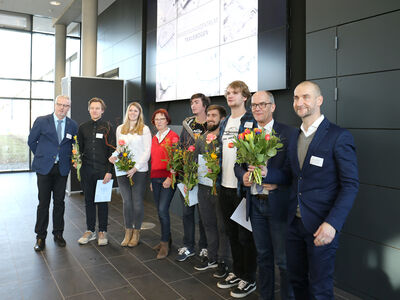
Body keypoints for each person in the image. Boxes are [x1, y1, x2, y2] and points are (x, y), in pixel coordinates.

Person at [265, 81, 359, 299]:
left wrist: (332, 224)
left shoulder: (338, 136)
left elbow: (350, 185)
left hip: (321, 225)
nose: (300, 103)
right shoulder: (294, 137)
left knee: (320, 288)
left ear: (319, 100)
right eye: (296, 98)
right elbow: (290, 175)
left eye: (306, 97)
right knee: (296, 281)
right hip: (294, 224)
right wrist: (265, 173)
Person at [234, 91, 295, 300]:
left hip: (277, 205)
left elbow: (293, 171)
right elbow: (237, 165)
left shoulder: (288, 133)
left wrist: (273, 177)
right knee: (263, 256)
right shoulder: (247, 133)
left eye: (262, 104)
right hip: (255, 205)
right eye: (254, 105)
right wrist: (243, 177)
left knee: (284, 260)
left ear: (273, 107)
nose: (257, 108)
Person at [217, 81, 257, 298]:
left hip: (242, 189)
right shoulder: (224, 123)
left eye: (235, 93)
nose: (230, 96)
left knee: (245, 237)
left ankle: (249, 278)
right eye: (228, 93)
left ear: (245, 97)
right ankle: (237, 271)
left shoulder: (251, 120)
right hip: (224, 186)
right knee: (231, 233)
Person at [28, 95, 78, 251]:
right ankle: (40, 237)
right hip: (44, 169)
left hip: (62, 169)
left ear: (69, 108)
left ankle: (58, 234)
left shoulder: (72, 125)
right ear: (55, 105)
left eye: (66, 105)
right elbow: (31, 141)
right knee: (43, 203)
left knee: (59, 203)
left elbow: (74, 145)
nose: (62, 108)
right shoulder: (42, 121)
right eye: (60, 104)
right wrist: (43, 156)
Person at [193, 105, 231, 278]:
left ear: (222, 119)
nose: (209, 118)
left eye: (214, 115)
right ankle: (212, 257)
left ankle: (223, 260)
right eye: (208, 115)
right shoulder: (201, 139)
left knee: (222, 227)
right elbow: (196, 162)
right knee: (207, 223)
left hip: (221, 188)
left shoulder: (225, 139)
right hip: (203, 188)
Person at [109, 102, 151, 247]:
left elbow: (147, 151)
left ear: (139, 113)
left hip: (138, 170)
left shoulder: (144, 129)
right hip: (122, 170)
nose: (133, 113)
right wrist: (114, 156)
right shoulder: (121, 128)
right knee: (127, 202)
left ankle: (136, 232)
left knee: (137, 202)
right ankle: (127, 232)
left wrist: (135, 168)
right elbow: (119, 148)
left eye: (136, 111)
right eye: (131, 110)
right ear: (127, 112)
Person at [77, 97, 116, 246]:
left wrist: (109, 171)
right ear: (89, 110)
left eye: (97, 108)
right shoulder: (82, 127)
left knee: (102, 202)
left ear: (102, 110)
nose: (95, 110)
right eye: (92, 108)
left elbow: (113, 151)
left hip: (103, 170)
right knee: (88, 201)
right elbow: (78, 148)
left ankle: (102, 231)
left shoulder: (107, 127)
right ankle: (90, 230)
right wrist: (77, 162)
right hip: (87, 170)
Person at [175, 93, 209, 262]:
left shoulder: (211, 125)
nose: (193, 106)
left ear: (204, 105)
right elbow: (181, 146)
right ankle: (188, 246)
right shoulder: (188, 124)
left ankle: (204, 246)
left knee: (204, 215)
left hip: (204, 177)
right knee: (187, 213)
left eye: (196, 102)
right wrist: (179, 168)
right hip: (186, 176)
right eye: (191, 103)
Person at [150, 109, 179, 259]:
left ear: (167, 120)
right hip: (155, 179)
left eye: (162, 119)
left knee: (162, 210)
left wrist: (170, 177)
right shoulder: (154, 137)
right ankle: (166, 239)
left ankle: (165, 245)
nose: (159, 121)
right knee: (160, 212)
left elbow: (176, 159)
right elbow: (153, 160)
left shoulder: (173, 137)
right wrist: (151, 179)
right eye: (157, 119)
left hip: (168, 179)